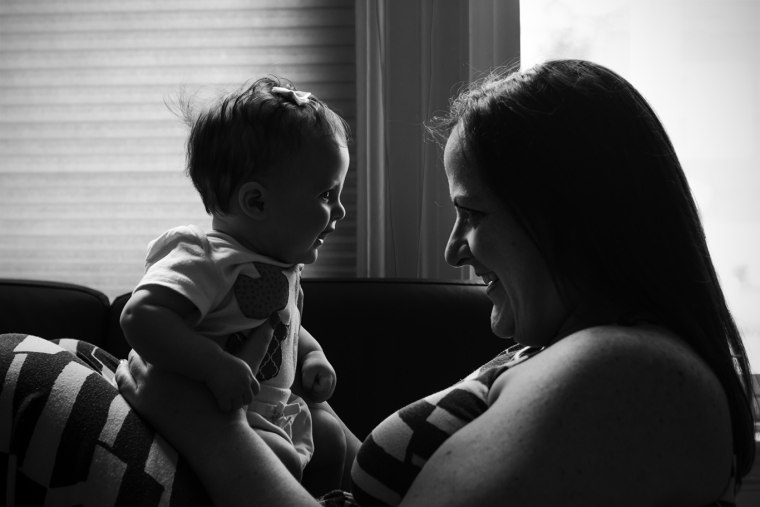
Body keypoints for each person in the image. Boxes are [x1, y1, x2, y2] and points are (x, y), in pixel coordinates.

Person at [1, 58, 756, 506]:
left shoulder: (632, 376)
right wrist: (327, 433)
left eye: (474, 213)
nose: (456, 248)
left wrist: (200, 417)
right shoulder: (582, 355)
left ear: (566, 214)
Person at [118, 76, 352, 488]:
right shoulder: (205, 258)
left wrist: (313, 356)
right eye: (326, 196)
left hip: (268, 410)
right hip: (214, 412)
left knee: (333, 439)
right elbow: (140, 316)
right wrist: (214, 367)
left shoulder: (282, 267)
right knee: (283, 460)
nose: (341, 211)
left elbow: (285, 327)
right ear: (256, 202)